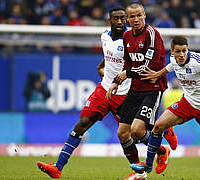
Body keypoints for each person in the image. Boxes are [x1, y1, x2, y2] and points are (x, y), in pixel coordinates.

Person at [36, 6, 131, 178]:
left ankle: (157, 151)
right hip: (104, 89)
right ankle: (57, 168)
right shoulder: (104, 36)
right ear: (110, 20)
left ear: (126, 20)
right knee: (82, 124)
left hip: (124, 93)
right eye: (115, 18)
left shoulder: (131, 39)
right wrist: (102, 66)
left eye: (122, 18)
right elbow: (111, 54)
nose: (119, 22)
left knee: (133, 134)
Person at [130, 36, 200, 173]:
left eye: (184, 51)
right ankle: (148, 164)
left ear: (187, 49)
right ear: (172, 52)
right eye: (178, 51)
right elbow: (171, 66)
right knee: (158, 126)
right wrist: (158, 74)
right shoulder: (173, 59)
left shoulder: (198, 61)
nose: (181, 55)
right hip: (188, 102)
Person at [106, 2, 177, 179]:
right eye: (132, 16)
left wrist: (126, 73)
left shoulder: (152, 34)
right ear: (127, 19)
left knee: (137, 130)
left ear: (145, 15)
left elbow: (149, 66)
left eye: (139, 15)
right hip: (135, 88)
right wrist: (116, 82)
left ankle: (161, 151)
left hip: (152, 88)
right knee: (122, 133)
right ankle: (140, 169)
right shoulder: (127, 36)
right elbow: (128, 63)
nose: (136, 19)